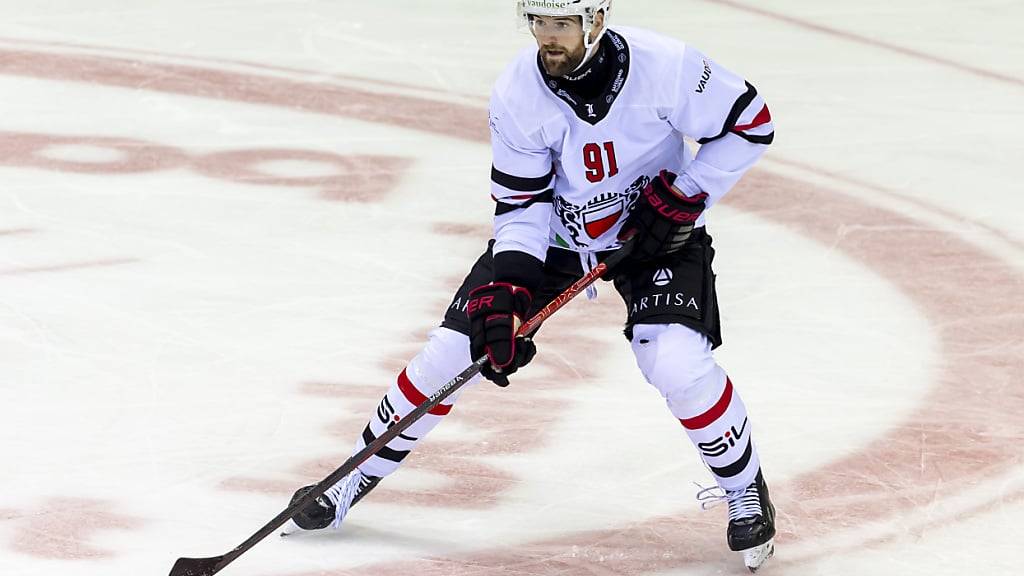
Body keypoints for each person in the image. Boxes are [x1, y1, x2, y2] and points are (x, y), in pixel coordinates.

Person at [285, 0, 777, 571]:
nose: (548, 37)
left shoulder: (667, 67)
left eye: (561, 23)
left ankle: (745, 489)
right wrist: (511, 290)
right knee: (452, 351)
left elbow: (752, 123)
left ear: (595, 20)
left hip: (656, 231)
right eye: (538, 21)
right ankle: (353, 475)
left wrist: (684, 195)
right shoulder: (518, 92)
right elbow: (521, 204)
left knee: (674, 360)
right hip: (556, 240)